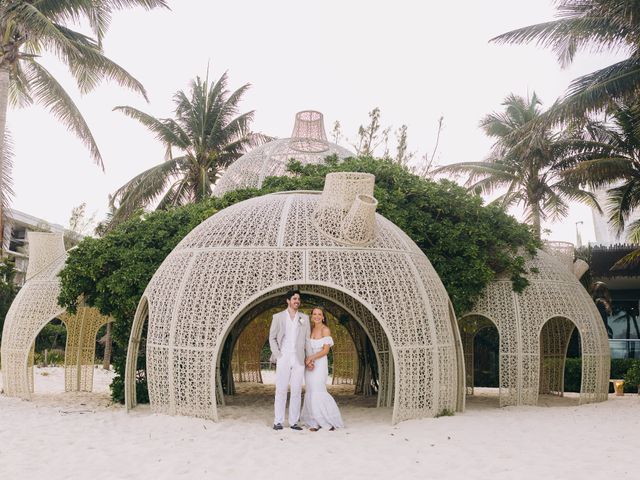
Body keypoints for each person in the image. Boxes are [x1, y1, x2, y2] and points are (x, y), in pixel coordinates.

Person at [269, 290, 310, 431]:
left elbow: (307, 340)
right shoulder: (278, 317)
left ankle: (293, 422)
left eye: (298, 299)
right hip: (284, 356)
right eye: (294, 298)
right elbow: (272, 338)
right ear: (288, 300)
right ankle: (278, 421)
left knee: (297, 391)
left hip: (299, 358)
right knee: (280, 389)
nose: (297, 301)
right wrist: (278, 355)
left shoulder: (304, 318)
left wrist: (309, 357)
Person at [301, 307, 344, 431]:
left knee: (318, 390)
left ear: (323, 316)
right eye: (314, 314)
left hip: (320, 364)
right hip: (310, 364)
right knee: (310, 391)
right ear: (311, 316)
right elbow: (306, 348)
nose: (317, 316)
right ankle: (313, 422)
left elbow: (325, 350)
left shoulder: (325, 330)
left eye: (319, 314)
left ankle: (326, 421)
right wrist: (308, 361)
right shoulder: (310, 329)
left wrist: (311, 358)